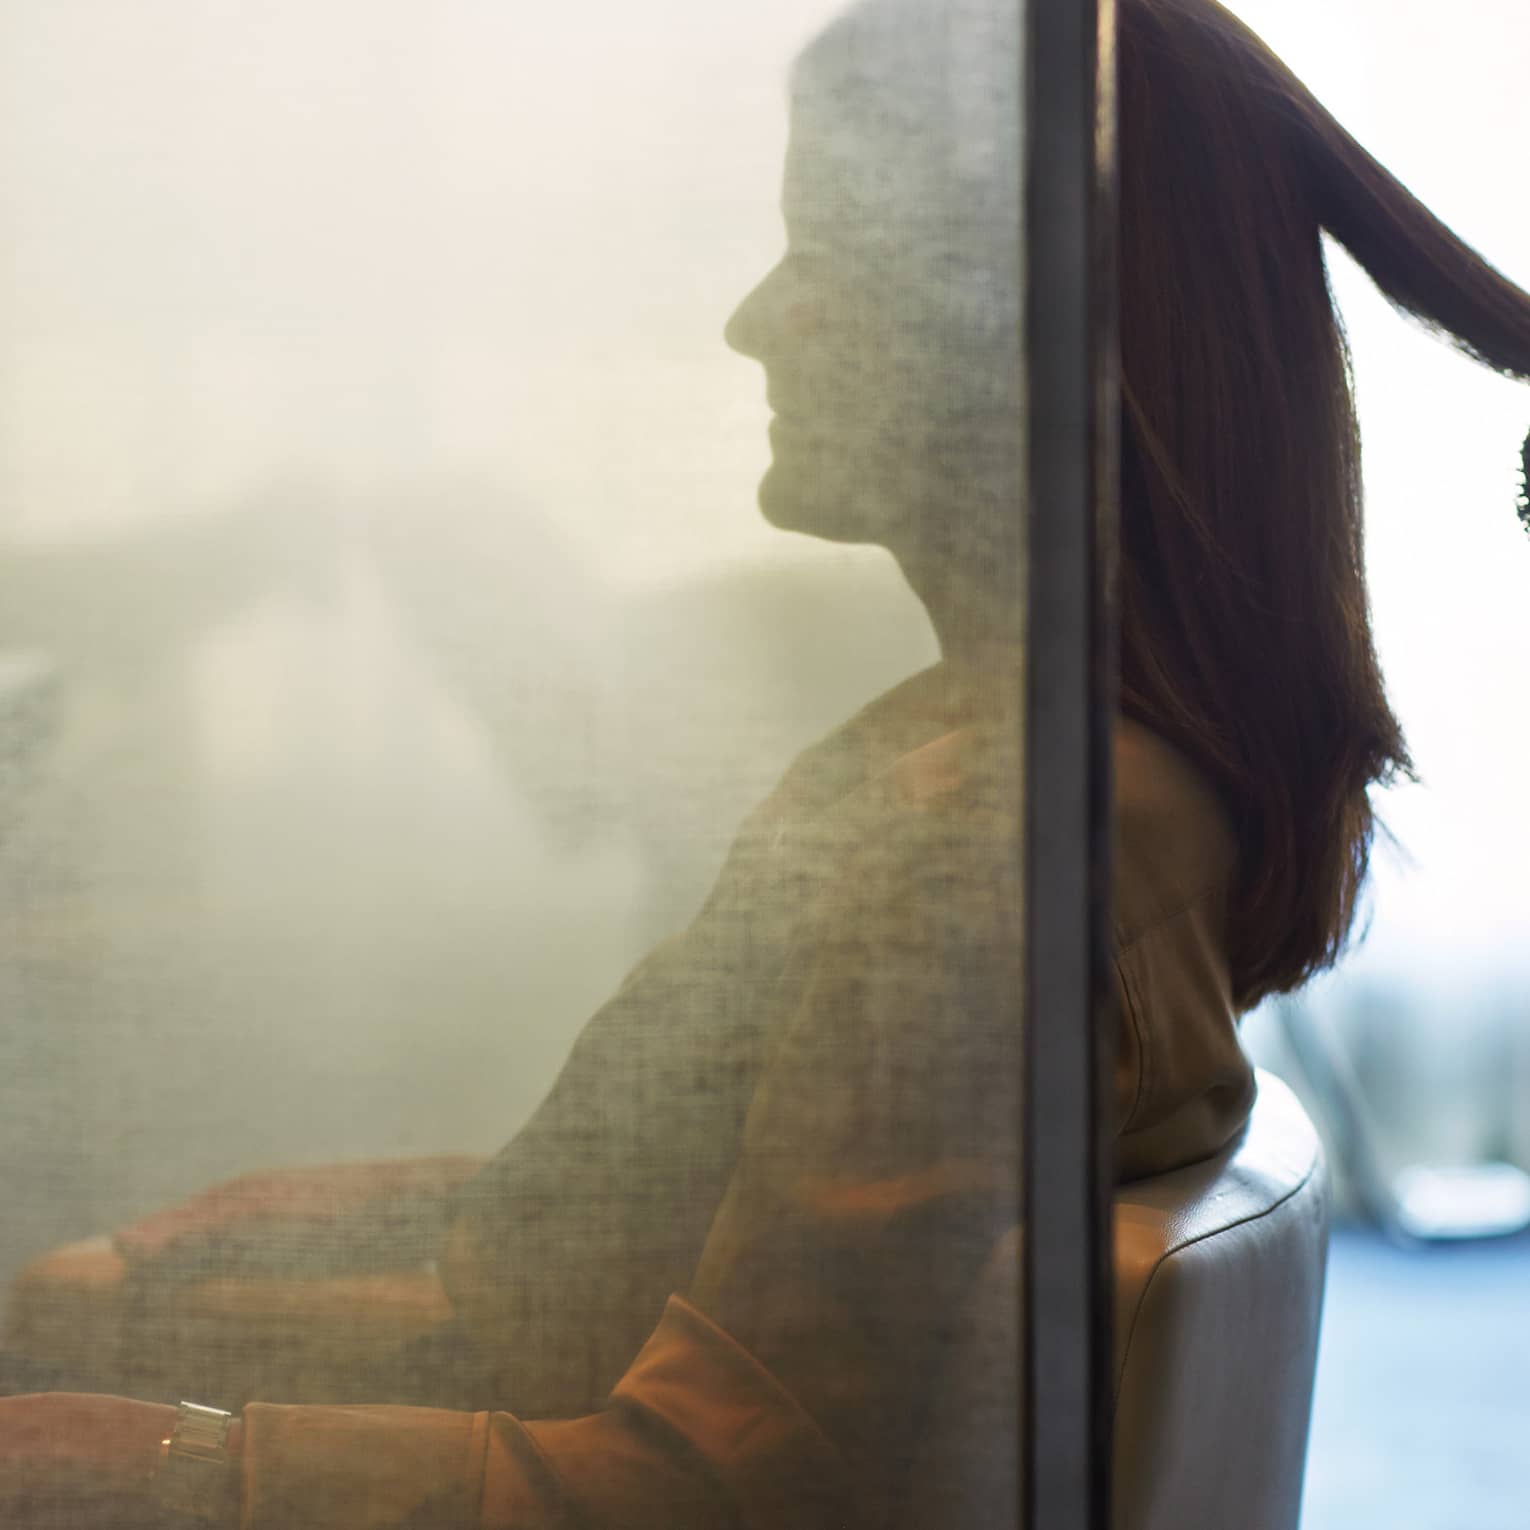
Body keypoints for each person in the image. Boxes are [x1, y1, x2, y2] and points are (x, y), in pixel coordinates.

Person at [2, 0, 1528, 1525]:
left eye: (824, 252)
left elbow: (724, 1478)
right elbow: (623, 1235)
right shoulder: (1017, 765)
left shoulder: (980, 842)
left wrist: (162, 1454)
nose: (753, 316)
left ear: (1007, 315)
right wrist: (203, 1253)